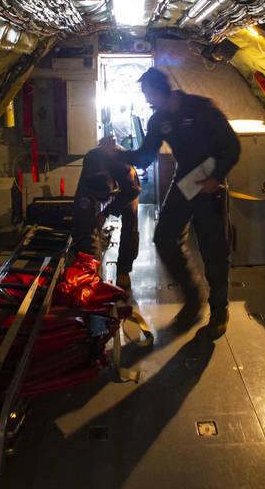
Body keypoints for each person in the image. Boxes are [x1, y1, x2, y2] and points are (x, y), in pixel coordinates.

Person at [115, 67, 240, 338]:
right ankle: (193, 298)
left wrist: (217, 177)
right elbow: (146, 157)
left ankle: (219, 311)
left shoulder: (202, 108)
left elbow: (232, 146)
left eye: (148, 94)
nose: (147, 99)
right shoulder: (158, 119)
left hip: (209, 180)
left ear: (162, 90)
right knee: (164, 238)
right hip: (186, 180)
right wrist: (117, 153)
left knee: (214, 251)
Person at [70, 142, 142, 291]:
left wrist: (106, 212)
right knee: (85, 220)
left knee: (130, 222)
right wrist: (92, 266)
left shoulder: (123, 168)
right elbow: (83, 221)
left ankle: (124, 270)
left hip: (129, 187)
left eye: (106, 198)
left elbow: (134, 190)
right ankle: (92, 269)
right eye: (100, 200)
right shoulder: (88, 171)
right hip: (99, 184)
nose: (104, 202)